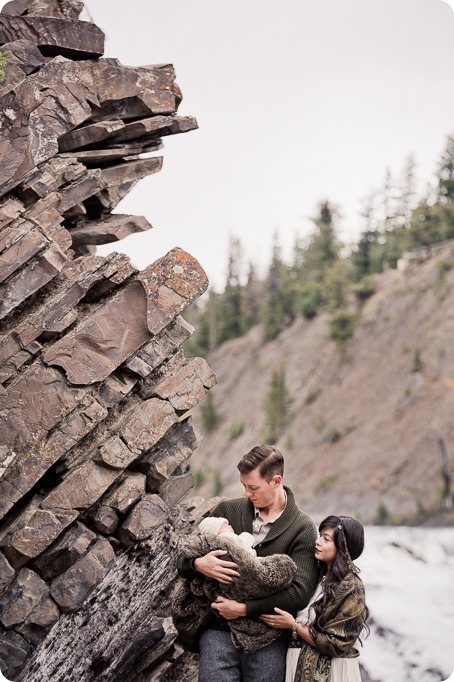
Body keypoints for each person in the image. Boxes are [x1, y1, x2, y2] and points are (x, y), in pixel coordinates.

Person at [176, 444, 318, 682]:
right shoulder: (226, 510)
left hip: (268, 639)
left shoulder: (303, 528)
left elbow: (300, 593)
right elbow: (184, 556)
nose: (246, 494)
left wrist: (244, 609)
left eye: (253, 487)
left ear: (276, 481)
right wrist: (199, 565)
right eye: (243, 486)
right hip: (218, 631)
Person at [260, 515, 370, 682]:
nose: (317, 542)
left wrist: (293, 625)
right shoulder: (314, 576)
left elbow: (336, 644)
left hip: (334, 671)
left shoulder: (352, 587)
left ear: (342, 547)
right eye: (319, 536)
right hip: (296, 660)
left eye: (326, 539)